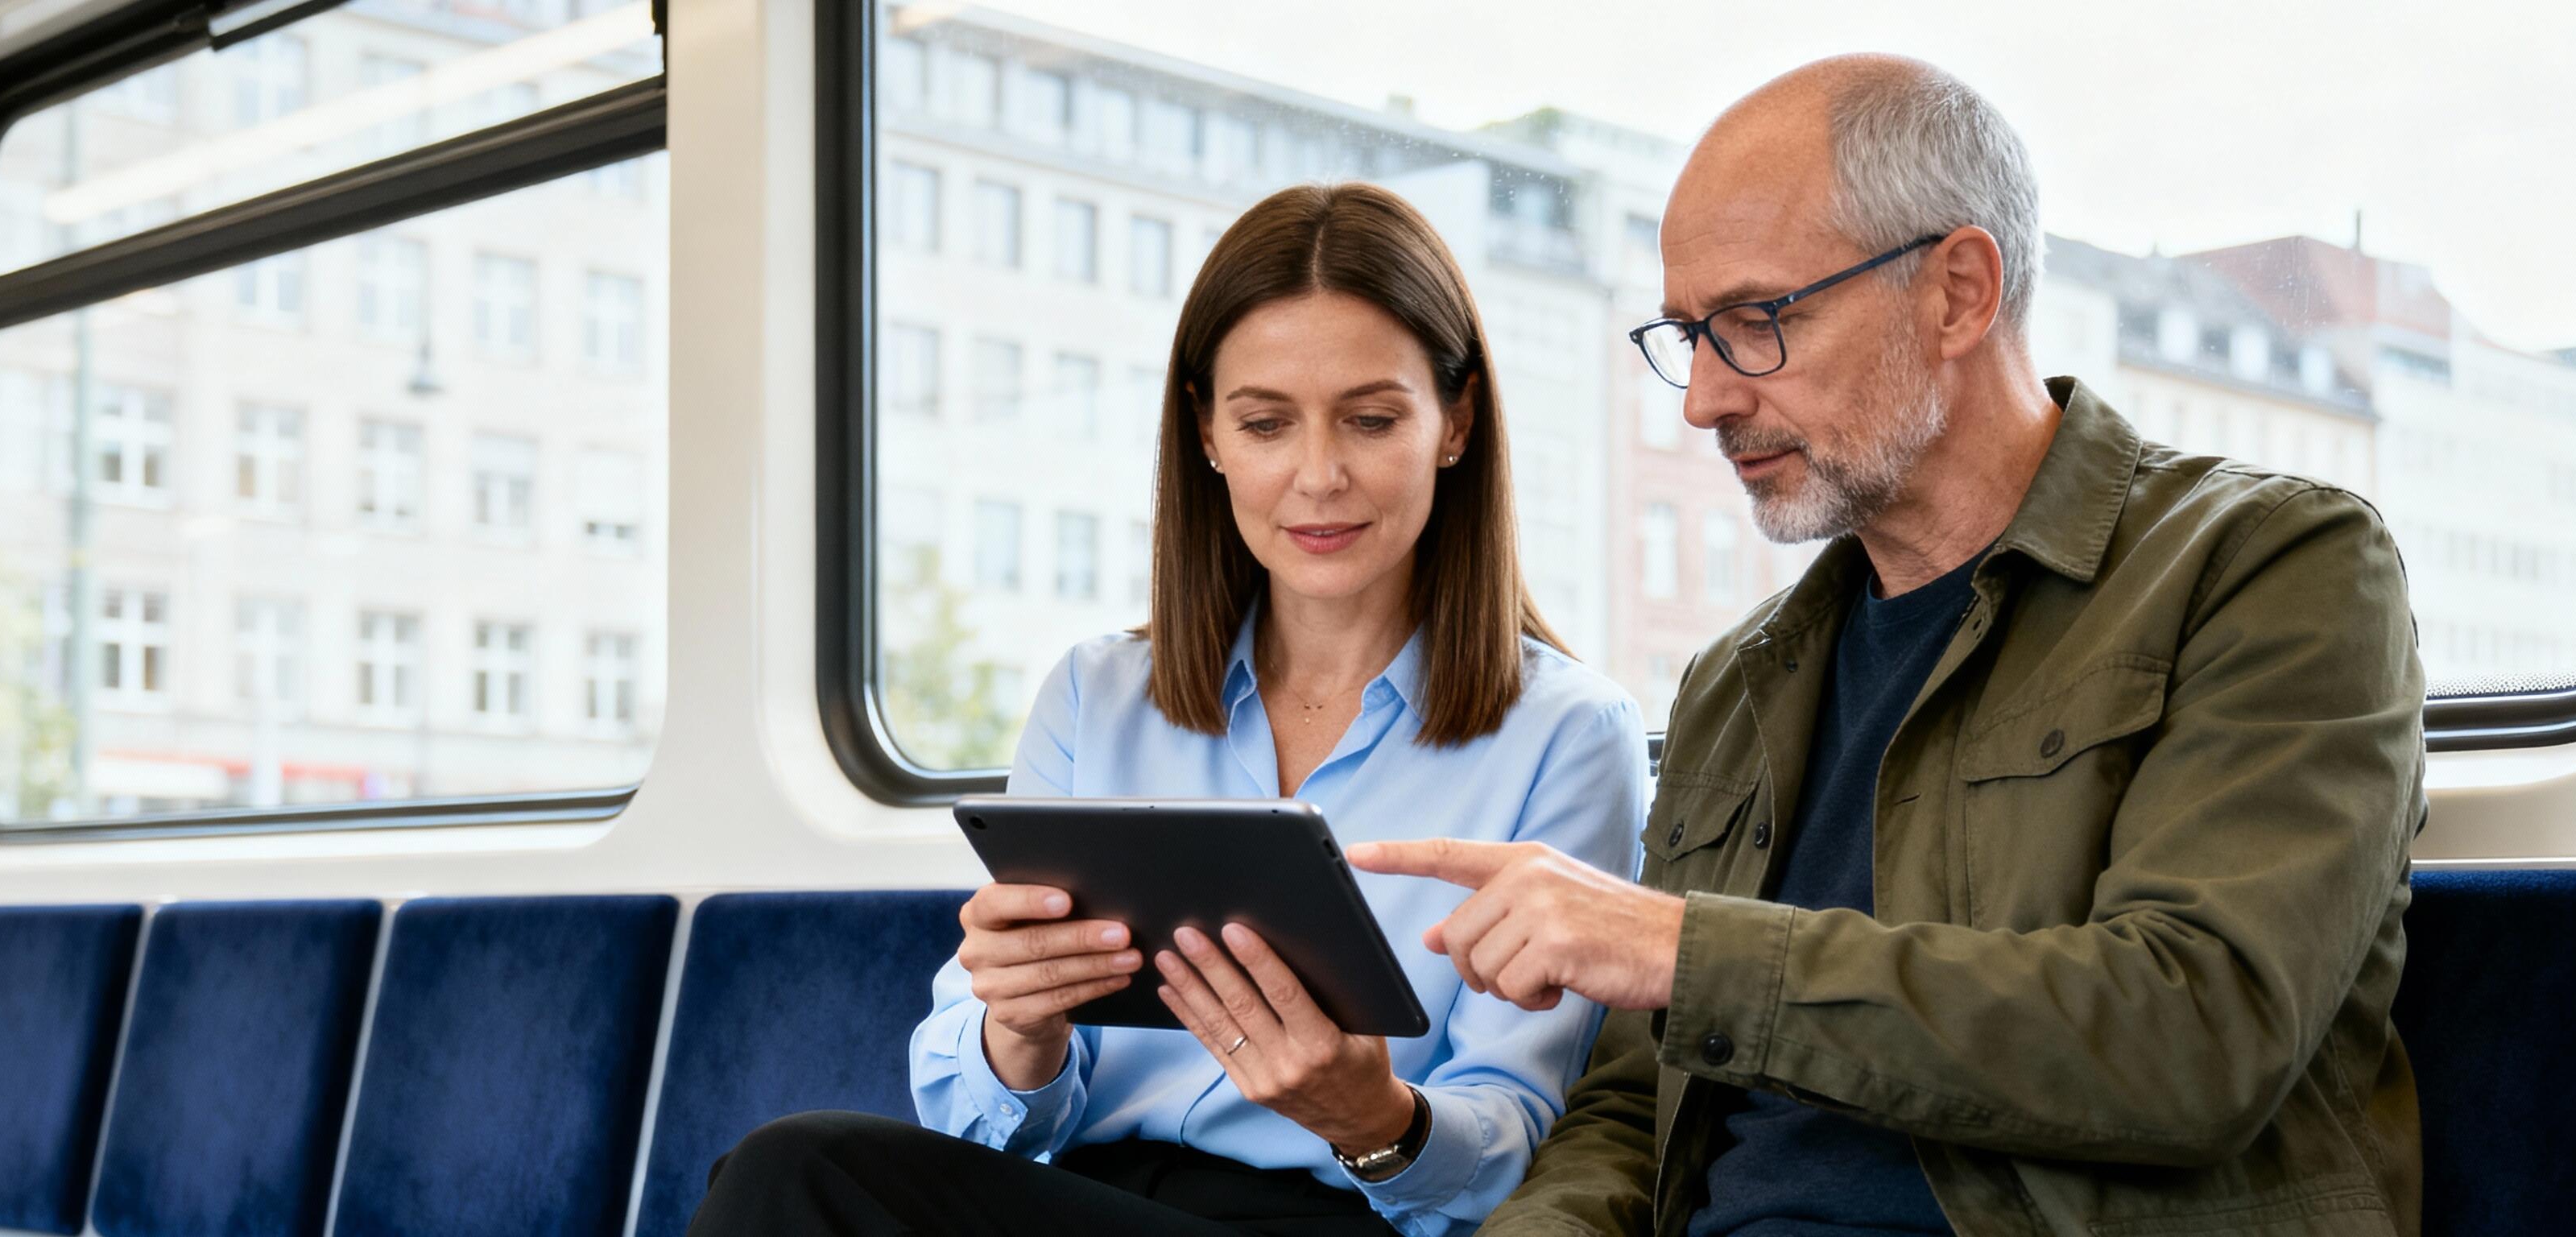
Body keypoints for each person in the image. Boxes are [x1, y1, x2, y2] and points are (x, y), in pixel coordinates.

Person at [1351, 55, 2427, 1237]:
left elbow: (2194, 1036)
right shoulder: (1737, 682)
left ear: (1958, 293)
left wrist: (1687, 950)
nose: (1703, 399)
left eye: (1757, 323)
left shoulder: (2273, 567)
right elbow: (1632, 1116)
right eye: (1688, 336)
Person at [686, 182, 1650, 1237]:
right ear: (1208, 433)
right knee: (794, 1171)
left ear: (1456, 423)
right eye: (1265, 423)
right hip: (1086, 1199)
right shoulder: (1094, 696)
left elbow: (1519, 1132)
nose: (1318, 475)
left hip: (1345, 1219)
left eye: (1372, 421)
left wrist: (1373, 1117)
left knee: (794, 1179)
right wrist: (1020, 1034)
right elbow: (978, 1118)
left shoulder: (1569, 735)